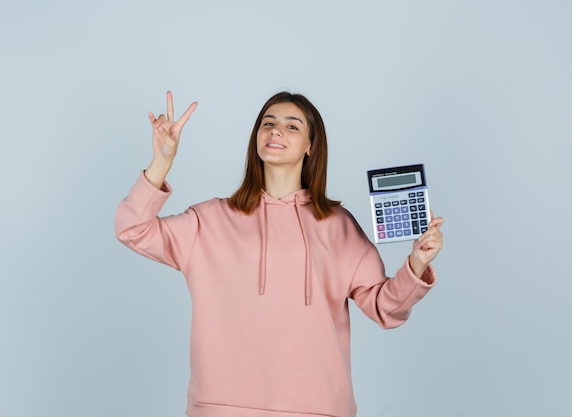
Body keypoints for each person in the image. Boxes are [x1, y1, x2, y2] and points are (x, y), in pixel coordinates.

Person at [115, 90, 444, 417]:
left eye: (292, 126)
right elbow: (133, 229)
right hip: (220, 408)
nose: (275, 131)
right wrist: (161, 163)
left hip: (318, 408)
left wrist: (415, 265)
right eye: (268, 123)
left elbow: (386, 309)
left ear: (310, 146)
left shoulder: (338, 226)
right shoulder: (209, 220)